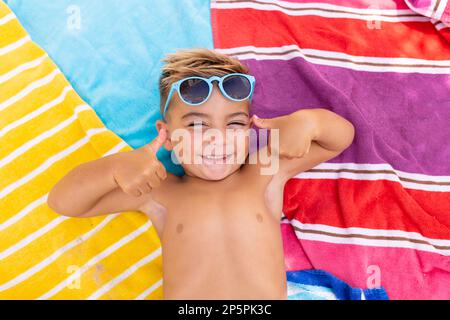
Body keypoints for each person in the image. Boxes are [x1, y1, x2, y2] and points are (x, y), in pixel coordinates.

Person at [48, 48, 355, 299]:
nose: (217, 137)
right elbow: (64, 202)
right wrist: (114, 169)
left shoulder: (263, 170)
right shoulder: (160, 189)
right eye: (196, 125)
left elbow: (340, 137)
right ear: (166, 136)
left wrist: (307, 122)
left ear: (250, 131)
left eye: (233, 124)